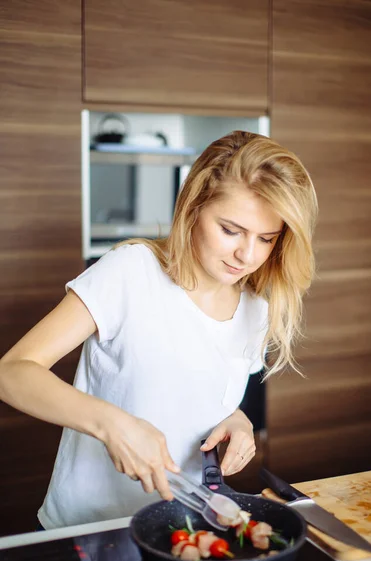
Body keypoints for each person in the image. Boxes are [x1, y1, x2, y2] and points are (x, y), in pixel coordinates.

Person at [0, 130, 318, 530]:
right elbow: (12, 372)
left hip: (185, 526)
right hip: (90, 528)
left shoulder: (256, 309)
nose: (247, 254)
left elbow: (193, 389)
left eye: (266, 238)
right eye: (230, 230)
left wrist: (237, 421)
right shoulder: (131, 272)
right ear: (194, 207)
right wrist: (112, 424)